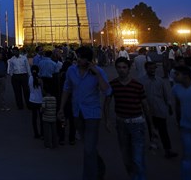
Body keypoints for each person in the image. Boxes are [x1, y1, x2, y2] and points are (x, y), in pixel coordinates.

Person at [58, 46, 111, 180]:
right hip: (77, 112)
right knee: (88, 146)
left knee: (88, 148)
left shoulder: (98, 71)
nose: (78, 60)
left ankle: (89, 177)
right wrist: (61, 108)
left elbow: (107, 91)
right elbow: (66, 89)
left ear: (88, 60)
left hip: (92, 113)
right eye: (78, 57)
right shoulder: (71, 70)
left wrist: (97, 74)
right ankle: (99, 166)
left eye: (81, 58)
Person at [104, 57, 150, 180]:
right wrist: (107, 120)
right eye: (119, 67)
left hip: (137, 123)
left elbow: (145, 105)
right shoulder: (113, 85)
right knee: (126, 156)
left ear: (129, 69)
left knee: (137, 157)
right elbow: (107, 103)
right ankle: (134, 176)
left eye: (124, 67)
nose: (121, 70)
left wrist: (151, 127)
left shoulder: (137, 85)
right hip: (121, 123)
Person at [140, 61, 178, 158]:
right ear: (146, 69)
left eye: (154, 68)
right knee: (151, 128)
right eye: (150, 68)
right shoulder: (142, 81)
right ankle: (154, 144)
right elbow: (139, 96)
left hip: (160, 109)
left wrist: (169, 106)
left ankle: (167, 149)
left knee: (163, 130)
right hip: (148, 110)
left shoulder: (160, 81)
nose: (152, 70)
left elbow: (166, 95)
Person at [29, 65, 44, 139]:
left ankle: (36, 133)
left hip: (32, 100)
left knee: (34, 118)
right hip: (40, 100)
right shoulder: (40, 79)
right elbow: (42, 90)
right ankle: (42, 133)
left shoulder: (30, 78)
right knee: (41, 118)